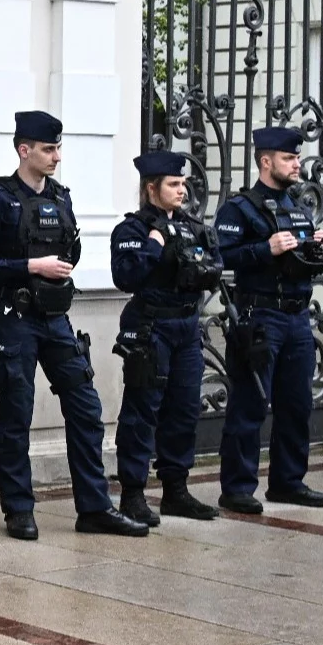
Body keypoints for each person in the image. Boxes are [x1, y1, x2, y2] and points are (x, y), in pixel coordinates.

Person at [0, 112, 142, 539]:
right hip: (15, 318)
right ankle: (19, 509)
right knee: (17, 414)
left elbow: (72, 249)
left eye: (58, 149)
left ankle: (95, 507)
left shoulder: (61, 197)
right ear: (23, 149)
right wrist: (32, 265)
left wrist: (58, 267)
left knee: (86, 408)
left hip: (56, 319)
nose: (56, 157)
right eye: (48, 149)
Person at [212, 127, 323, 511]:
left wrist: (315, 246)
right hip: (260, 314)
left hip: (298, 315)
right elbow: (221, 257)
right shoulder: (240, 207)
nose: (297, 164)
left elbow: (299, 260)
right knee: (249, 404)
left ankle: (288, 481)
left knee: (297, 404)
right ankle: (237, 487)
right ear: (266, 162)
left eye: (297, 158)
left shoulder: (297, 205)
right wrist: (263, 249)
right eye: (288, 159)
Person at [110, 151, 225, 524]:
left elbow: (214, 267)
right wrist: (156, 244)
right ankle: (133, 493)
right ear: (151, 188)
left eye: (183, 183)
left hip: (187, 328)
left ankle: (176, 490)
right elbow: (126, 277)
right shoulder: (133, 230)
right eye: (173, 184)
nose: (182, 190)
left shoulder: (193, 227)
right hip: (151, 327)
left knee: (184, 408)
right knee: (143, 411)